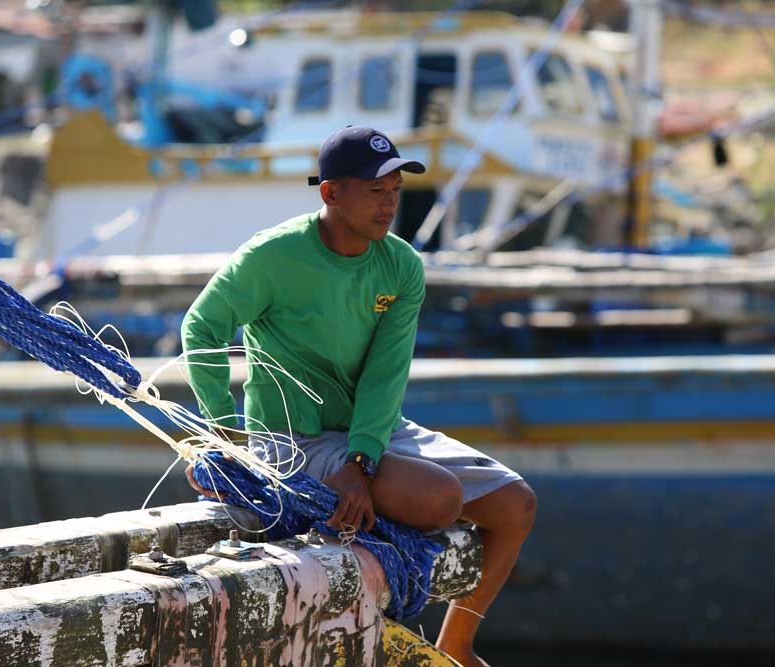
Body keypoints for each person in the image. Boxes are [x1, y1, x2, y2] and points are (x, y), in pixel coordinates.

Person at [181, 125, 536, 667]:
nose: (389, 202)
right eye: (375, 190)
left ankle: (457, 643)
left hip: (370, 431)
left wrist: (362, 461)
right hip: (293, 438)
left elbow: (384, 377)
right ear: (330, 193)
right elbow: (202, 330)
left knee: (516, 505)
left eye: (395, 189)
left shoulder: (401, 266)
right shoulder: (272, 256)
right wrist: (226, 434)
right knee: (440, 501)